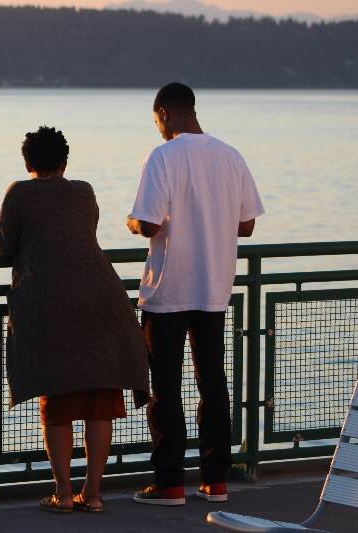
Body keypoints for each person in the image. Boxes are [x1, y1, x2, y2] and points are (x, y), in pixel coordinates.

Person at [0, 126, 150, 514]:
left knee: (58, 401)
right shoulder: (84, 191)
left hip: (50, 304)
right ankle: (93, 495)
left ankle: (63, 495)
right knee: (99, 400)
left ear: (27, 162)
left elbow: (2, 246)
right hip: (101, 297)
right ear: (65, 162)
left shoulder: (19, 193)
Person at [127, 83, 264, 506]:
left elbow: (148, 224)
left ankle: (169, 484)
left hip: (167, 290)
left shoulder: (163, 156)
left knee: (164, 387)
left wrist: (132, 223)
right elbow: (246, 226)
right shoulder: (230, 155)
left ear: (164, 113)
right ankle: (215, 482)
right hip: (214, 287)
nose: (158, 130)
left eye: (156, 122)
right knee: (213, 384)